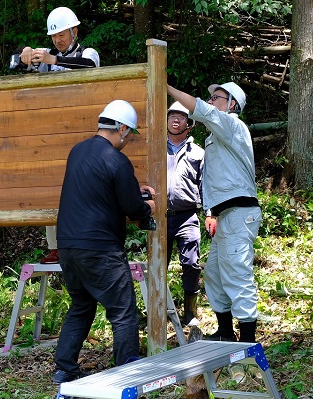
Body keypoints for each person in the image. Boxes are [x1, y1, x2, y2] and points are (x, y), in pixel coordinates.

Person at [52, 100, 156, 384]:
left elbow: (97, 190)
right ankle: (128, 373)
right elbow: (132, 208)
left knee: (81, 306)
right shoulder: (117, 159)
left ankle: (64, 369)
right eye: (130, 134)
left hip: (69, 246)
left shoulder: (77, 151)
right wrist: (148, 207)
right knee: (122, 311)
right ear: (121, 128)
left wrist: (136, 190)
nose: (129, 140)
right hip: (100, 248)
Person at [167, 82, 260, 343]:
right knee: (215, 275)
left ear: (232, 104)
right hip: (226, 214)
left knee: (237, 276)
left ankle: (248, 345)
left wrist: (169, 88)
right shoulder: (216, 136)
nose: (211, 101)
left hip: (240, 213)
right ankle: (226, 334)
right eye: (211, 97)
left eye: (216, 97)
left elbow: (203, 112)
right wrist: (211, 211)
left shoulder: (232, 125)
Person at [16, 6, 101, 264]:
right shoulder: (49, 58)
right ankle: (56, 246)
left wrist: (53, 61)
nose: (57, 40)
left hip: (84, 128)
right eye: (53, 36)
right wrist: (25, 59)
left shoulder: (88, 53)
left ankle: (88, 241)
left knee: (87, 188)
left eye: (62, 34)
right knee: (53, 186)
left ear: (74, 31)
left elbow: (88, 66)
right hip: (53, 132)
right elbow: (22, 71)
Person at [165, 101, 208, 325]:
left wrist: (210, 212)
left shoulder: (198, 152)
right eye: (171, 115)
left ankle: (190, 312)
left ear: (188, 124)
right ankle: (159, 309)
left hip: (187, 215)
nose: (175, 119)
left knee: (191, 263)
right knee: (157, 264)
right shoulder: (155, 147)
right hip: (160, 216)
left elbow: (205, 185)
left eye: (180, 117)